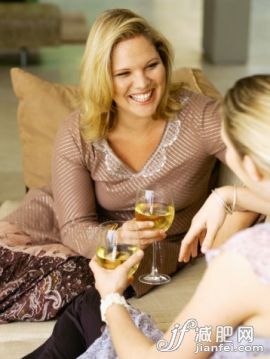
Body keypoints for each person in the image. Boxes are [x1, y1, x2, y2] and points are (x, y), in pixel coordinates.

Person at [0, 8, 256, 323]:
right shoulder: (77, 132)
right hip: (62, 221)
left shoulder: (201, 119)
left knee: (61, 290)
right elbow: (74, 227)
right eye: (124, 73)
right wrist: (118, 235)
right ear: (102, 77)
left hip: (144, 252)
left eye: (152, 66)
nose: (143, 83)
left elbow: (261, 170)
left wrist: (230, 194)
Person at [86, 74, 270, 359]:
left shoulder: (248, 261)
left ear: (251, 167)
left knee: (89, 316)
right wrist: (232, 194)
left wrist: (110, 297)